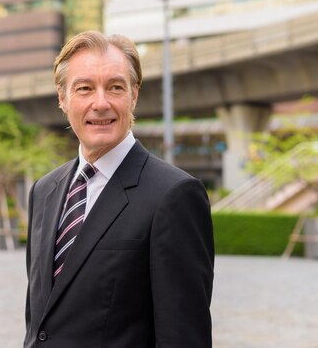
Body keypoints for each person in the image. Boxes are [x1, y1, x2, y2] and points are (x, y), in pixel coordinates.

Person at [24, 30, 214, 348]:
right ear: (62, 98)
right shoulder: (44, 191)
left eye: (115, 87)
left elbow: (183, 337)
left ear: (134, 95)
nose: (101, 103)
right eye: (84, 88)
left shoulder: (175, 195)